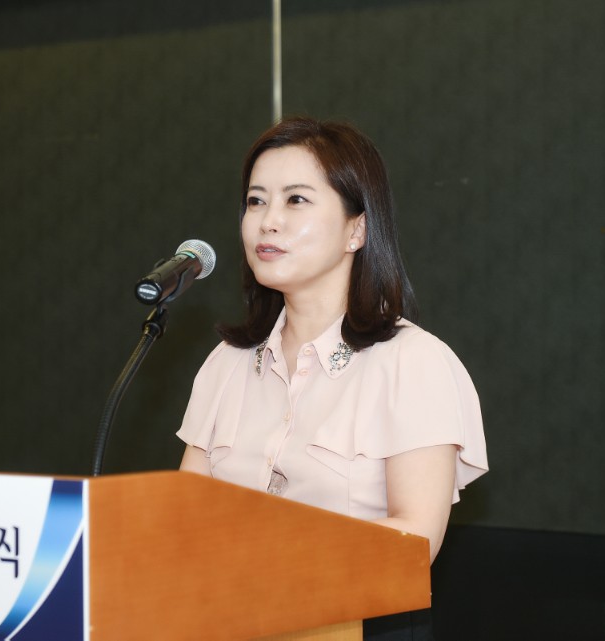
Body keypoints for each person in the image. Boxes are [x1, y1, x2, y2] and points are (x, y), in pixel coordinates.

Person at [177, 116, 488, 639]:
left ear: (356, 230)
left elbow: (414, 541)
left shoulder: (413, 363)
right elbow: (182, 517)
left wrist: (269, 561)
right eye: (256, 201)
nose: (268, 221)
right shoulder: (227, 363)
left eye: (296, 200)